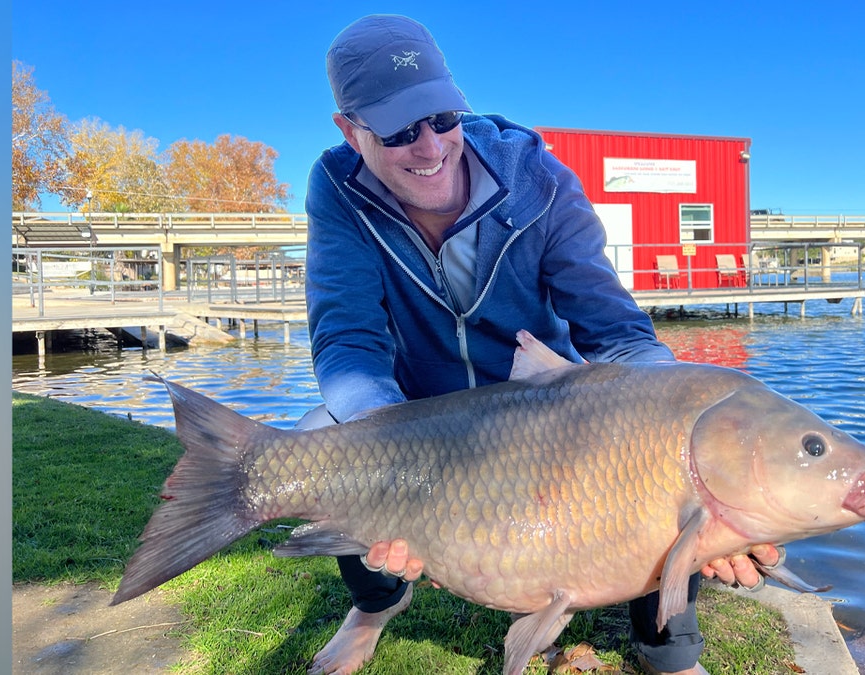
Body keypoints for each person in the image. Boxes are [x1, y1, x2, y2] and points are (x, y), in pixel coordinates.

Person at [299, 14, 780, 675]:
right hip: (424, 410)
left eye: (441, 116)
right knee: (329, 429)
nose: (431, 145)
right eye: (398, 130)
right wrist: (383, 444)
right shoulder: (336, 190)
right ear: (350, 131)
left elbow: (614, 331)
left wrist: (679, 408)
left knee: (659, 442)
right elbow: (347, 338)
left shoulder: (540, 180)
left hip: (544, 403)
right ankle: (376, 604)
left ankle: (669, 647)